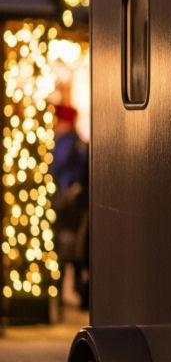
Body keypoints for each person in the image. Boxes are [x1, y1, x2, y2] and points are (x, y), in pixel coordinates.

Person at [50, 104, 89, 308]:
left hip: (65, 199)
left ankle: (70, 291)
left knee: (66, 245)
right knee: (71, 247)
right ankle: (75, 289)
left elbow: (56, 165)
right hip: (70, 199)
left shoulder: (66, 143)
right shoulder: (77, 142)